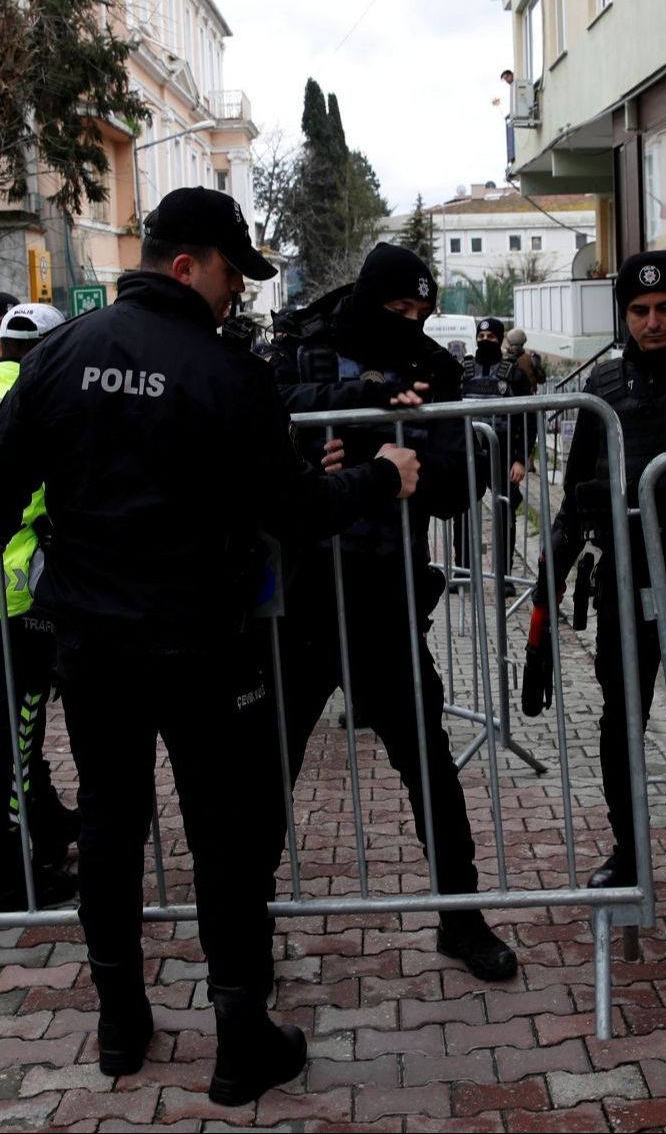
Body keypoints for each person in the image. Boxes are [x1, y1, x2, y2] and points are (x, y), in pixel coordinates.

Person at [0, 189, 418, 1106]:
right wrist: (381, 478)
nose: (238, 297)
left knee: (111, 825)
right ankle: (239, 1041)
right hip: (205, 646)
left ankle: (121, 1024)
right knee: (224, 840)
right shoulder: (228, 374)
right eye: (233, 275)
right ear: (185, 264)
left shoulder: (59, 356)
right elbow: (295, 513)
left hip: (94, 644)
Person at [269, 243, 519, 982]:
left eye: (419, 311)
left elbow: (455, 477)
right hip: (304, 592)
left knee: (428, 761)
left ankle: (461, 917)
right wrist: (336, 438)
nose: (407, 323)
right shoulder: (305, 352)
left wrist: (391, 466)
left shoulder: (434, 369)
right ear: (365, 300)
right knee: (265, 768)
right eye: (394, 309)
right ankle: (244, 920)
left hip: (385, 592)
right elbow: (261, 431)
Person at [525, 250, 666, 892]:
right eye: (639, 311)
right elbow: (574, 499)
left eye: (665, 308)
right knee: (622, 718)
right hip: (624, 585)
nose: (652, 322)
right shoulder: (603, 394)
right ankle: (628, 851)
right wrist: (549, 586)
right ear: (624, 315)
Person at [0, 302, 79, 913]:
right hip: (21, 598)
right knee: (21, 735)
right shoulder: (44, 399)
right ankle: (18, 870)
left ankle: (50, 827)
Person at [457, 317, 535, 596]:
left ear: (500, 340)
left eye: (491, 336)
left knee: (504, 514)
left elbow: (528, 419)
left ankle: (503, 577)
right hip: (468, 453)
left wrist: (521, 459)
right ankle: (462, 573)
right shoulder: (463, 371)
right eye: (481, 335)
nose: (485, 340)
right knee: (462, 511)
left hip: (503, 455)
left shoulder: (513, 374)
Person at [504, 327, 546, 395]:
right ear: (524, 341)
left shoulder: (502, 359)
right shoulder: (532, 359)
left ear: (508, 341)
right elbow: (542, 380)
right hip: (528, 399)